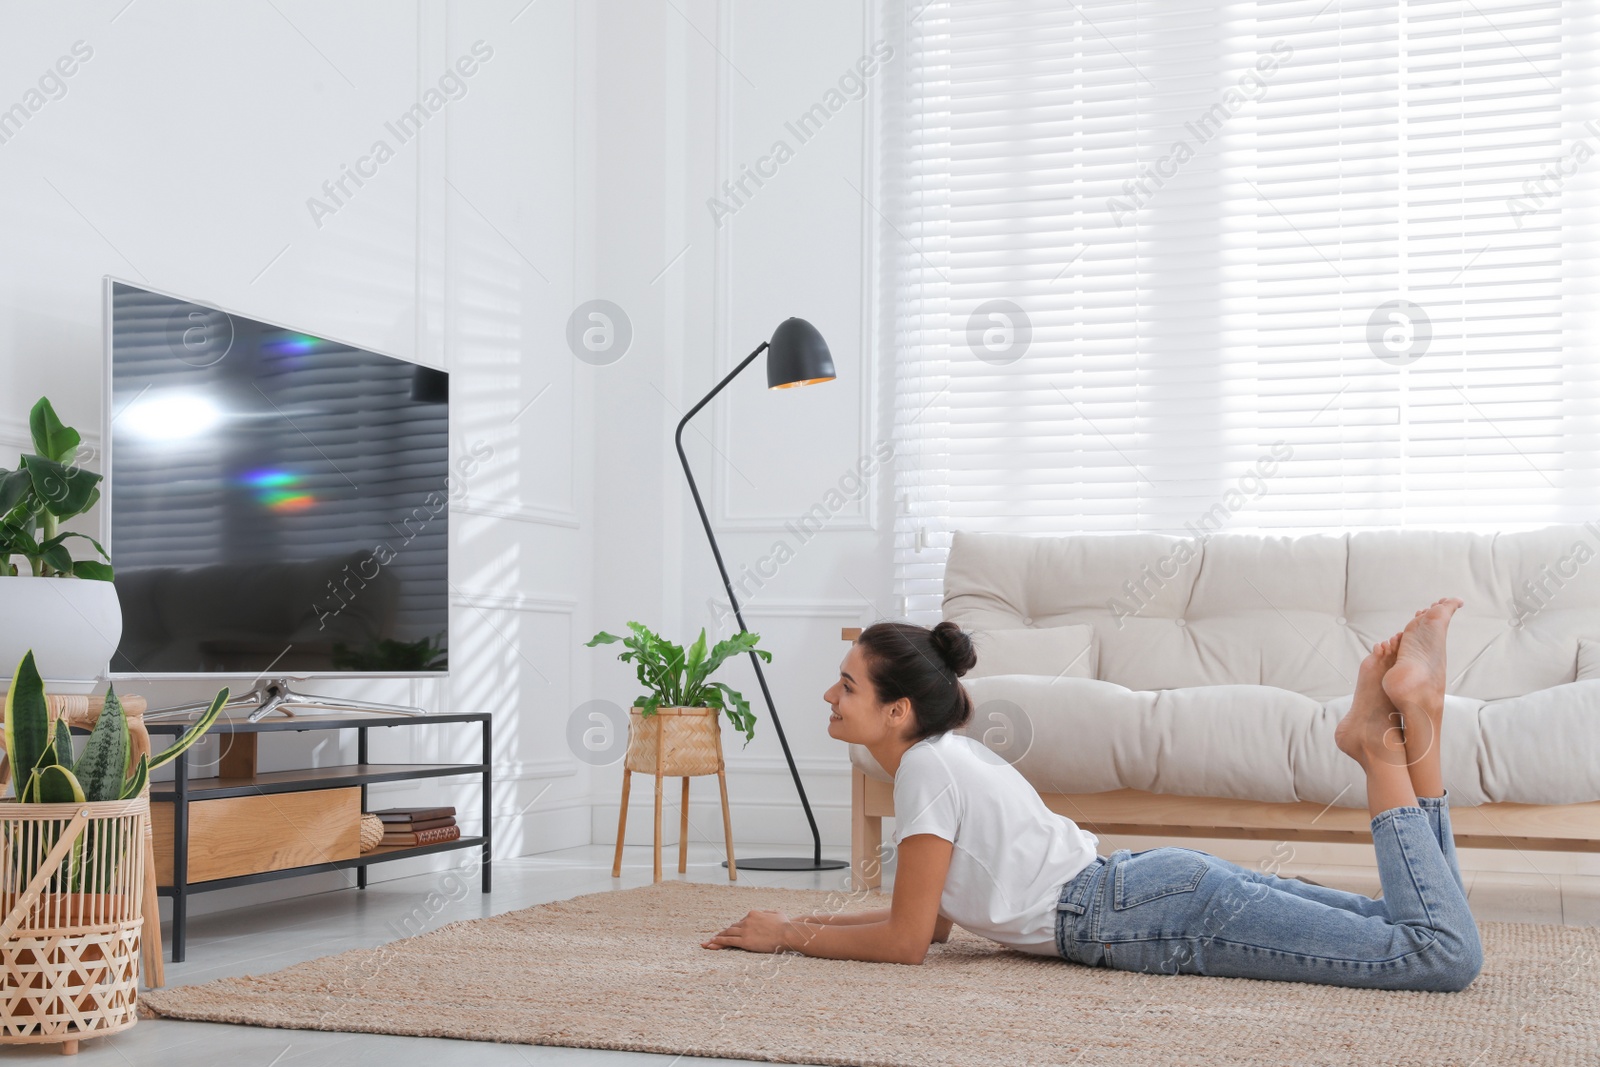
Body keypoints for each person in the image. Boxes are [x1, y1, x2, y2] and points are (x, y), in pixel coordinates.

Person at [701, 599, 1484, 992]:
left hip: (1142, 906)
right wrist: (803, 918)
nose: (829, 697)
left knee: (1436, 955)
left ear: (897, 709)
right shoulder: (946, 759)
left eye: (847, 685)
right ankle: (1421, 721)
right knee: (1408, 926)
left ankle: (1376, 744)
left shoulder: (924, 771)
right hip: (1149, 887)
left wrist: (789, 934)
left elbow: (906, 943)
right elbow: (933, 921)